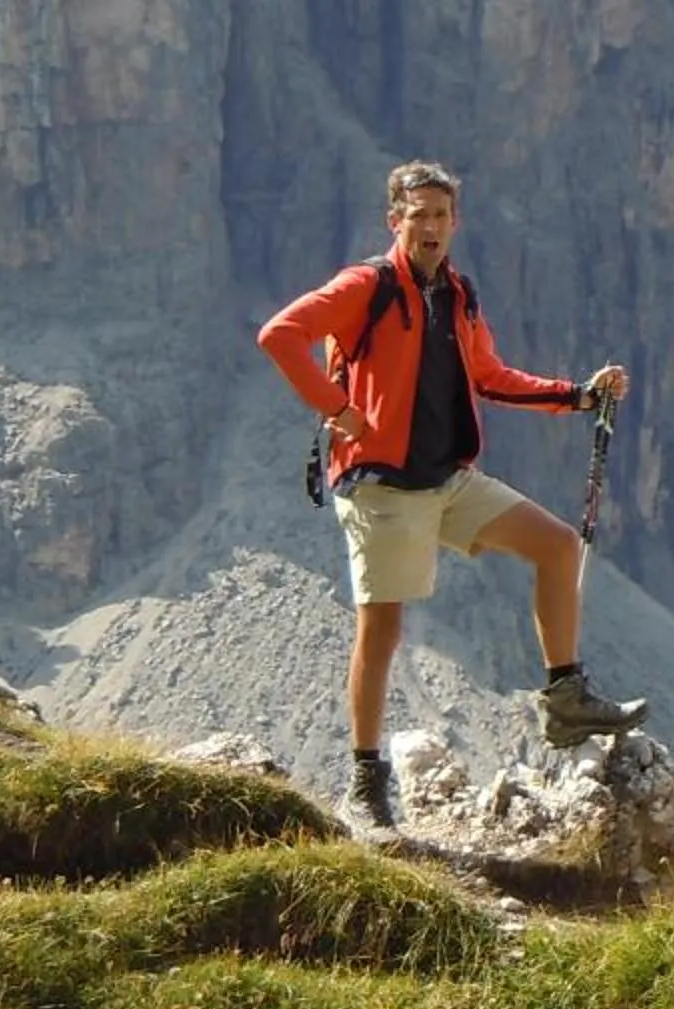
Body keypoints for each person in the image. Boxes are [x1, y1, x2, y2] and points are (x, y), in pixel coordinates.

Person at [259, 158, 647, 831]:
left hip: (446, 479)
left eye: (441, 215)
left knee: (557, 547)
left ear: (455, 222)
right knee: (381, 630)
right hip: (381, 485)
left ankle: (565, 699)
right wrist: (337, 409)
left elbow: (490, 376)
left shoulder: (458, 295)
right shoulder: (367, 286)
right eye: (419, 216)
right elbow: (281, 334)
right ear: (396, 221)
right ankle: (365, 778)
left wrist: (578, 396)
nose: (431, 227)